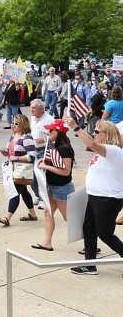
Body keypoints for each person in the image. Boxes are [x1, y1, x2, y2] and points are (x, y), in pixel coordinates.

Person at [63, 117, 123, 275]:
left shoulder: (114, 150)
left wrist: (76, 128)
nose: (94, 133)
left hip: (108, 200)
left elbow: (91, 144)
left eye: (97, 131)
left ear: (108, 134)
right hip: (95, 197)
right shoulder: (103, 152)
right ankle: (90, 265)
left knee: (105, 234)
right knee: (88, 230)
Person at [31, 120, 75, 252]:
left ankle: (91, 242)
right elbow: (54, 163)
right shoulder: (54, 146)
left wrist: (46, 166)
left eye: (51, 130)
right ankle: (47, 242)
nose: (48, 132)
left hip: (62, 188)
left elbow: (66, 171)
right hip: (51, 186)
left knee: (69, 218)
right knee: (47, 212)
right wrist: (43, 161)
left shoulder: (65, 149)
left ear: (59, 132)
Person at [0, 114, 38, 226]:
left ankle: (7, 217)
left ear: (23, 125)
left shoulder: (27, 138)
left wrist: (17, 158)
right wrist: (7, 153)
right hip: (12, 168)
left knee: (14, 192)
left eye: (16, 123)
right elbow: (12, 152)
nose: (13, 125)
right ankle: (32, 214)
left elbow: (31, 156)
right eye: (12, 123)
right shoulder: (13, 136)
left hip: (22, 169)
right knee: (24, 191)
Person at [30, 99, 55, 205]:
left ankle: (43, 199)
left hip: (43, 151)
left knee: (41, 176)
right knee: (30, 176)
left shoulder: (49, 119)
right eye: (31, 107)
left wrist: (45, 140)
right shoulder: (32, 118)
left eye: (34, 108)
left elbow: (55, 136)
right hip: (32, 150)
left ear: (41, 109)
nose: (31, 110)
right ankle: (37, 195)